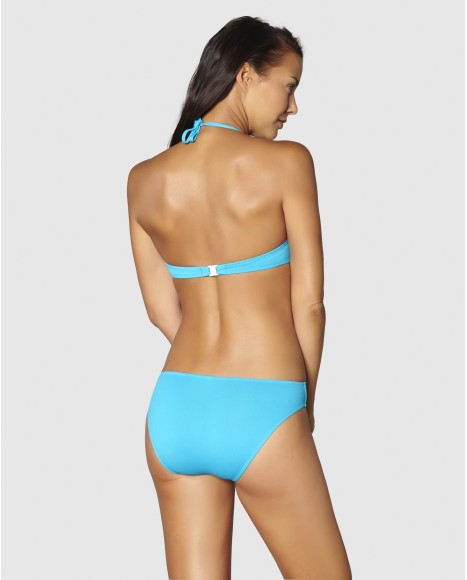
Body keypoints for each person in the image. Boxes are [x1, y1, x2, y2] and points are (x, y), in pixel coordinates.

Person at [127, 15, 352, 580]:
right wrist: (302, 407)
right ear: (247, 75)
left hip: (177, 409)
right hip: (265, 406)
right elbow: (310, 305)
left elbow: (160, 309)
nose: (293, 106)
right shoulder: (287, 163)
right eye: (289, 86)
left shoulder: (143, 179)